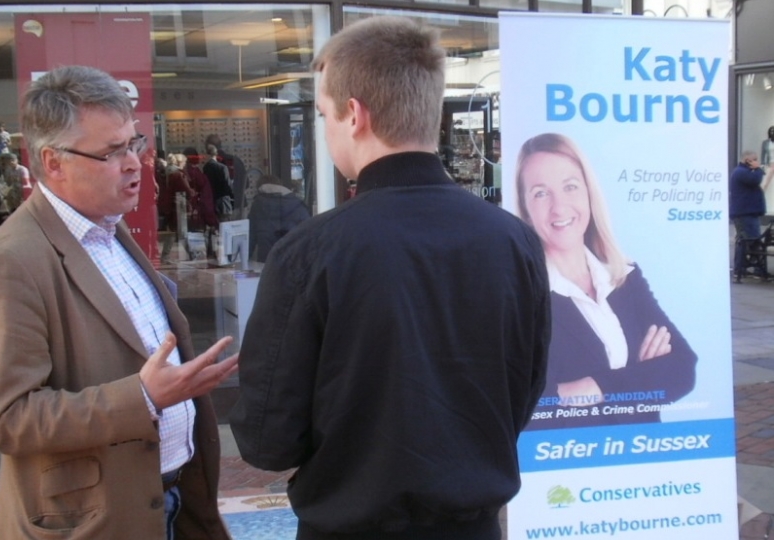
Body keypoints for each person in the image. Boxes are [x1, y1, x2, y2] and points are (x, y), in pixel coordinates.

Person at [230, 17, 550, 540]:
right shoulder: (514, 240)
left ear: (354, 114)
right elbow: (522, 393)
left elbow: (268, 440)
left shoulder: (310, 252)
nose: (326, 128)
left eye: (323, 115)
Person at [0, 65, 238, 540]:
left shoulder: (110, 229)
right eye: (112, 153)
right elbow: (11, 419)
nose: (134, 163)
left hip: (169, 503)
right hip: (92, 523)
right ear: (53, 162)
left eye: (134, 144)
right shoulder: (11, 261)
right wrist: (145, 397)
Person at [514, 132, 697, 430]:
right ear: (525, 207)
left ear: (589, 193)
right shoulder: (520, 293)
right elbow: (532, 405)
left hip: (642, 460)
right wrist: (640, 376)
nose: (559, 208)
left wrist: (592, 386)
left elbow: (682, 369)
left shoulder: (624, 276)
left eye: (570, 187)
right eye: (540, 193)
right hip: (566, 466)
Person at [247, 174, 310, 262]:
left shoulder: (257, 206)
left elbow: (250, 237)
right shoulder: (298, 205)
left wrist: (243, 261)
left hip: (266, 262)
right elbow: (308, 237)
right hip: (293, 262)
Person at [730, 150, 768, 281]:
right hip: (745, 214)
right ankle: (742, 268)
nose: (757, 162)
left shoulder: (743, 172)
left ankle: (744, 267)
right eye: (755, 159)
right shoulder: (742, 173)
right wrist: (758, 169)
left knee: (748, 240)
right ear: (748, 160)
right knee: (748, 240)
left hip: (748, 213)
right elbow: (755, 180)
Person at [204, 135, 247, 217]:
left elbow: (209, 191)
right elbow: (246, 184)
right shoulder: (236, 160)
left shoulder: (211, 166)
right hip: (241, 206)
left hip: (223, 211)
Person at [203, 144, 233, 219]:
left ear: (207, 154)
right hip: (223, 201)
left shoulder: (205, 168)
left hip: (212, 201)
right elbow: (228, 185)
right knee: (225, 225)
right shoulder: (223, 167)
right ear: (216, 154)